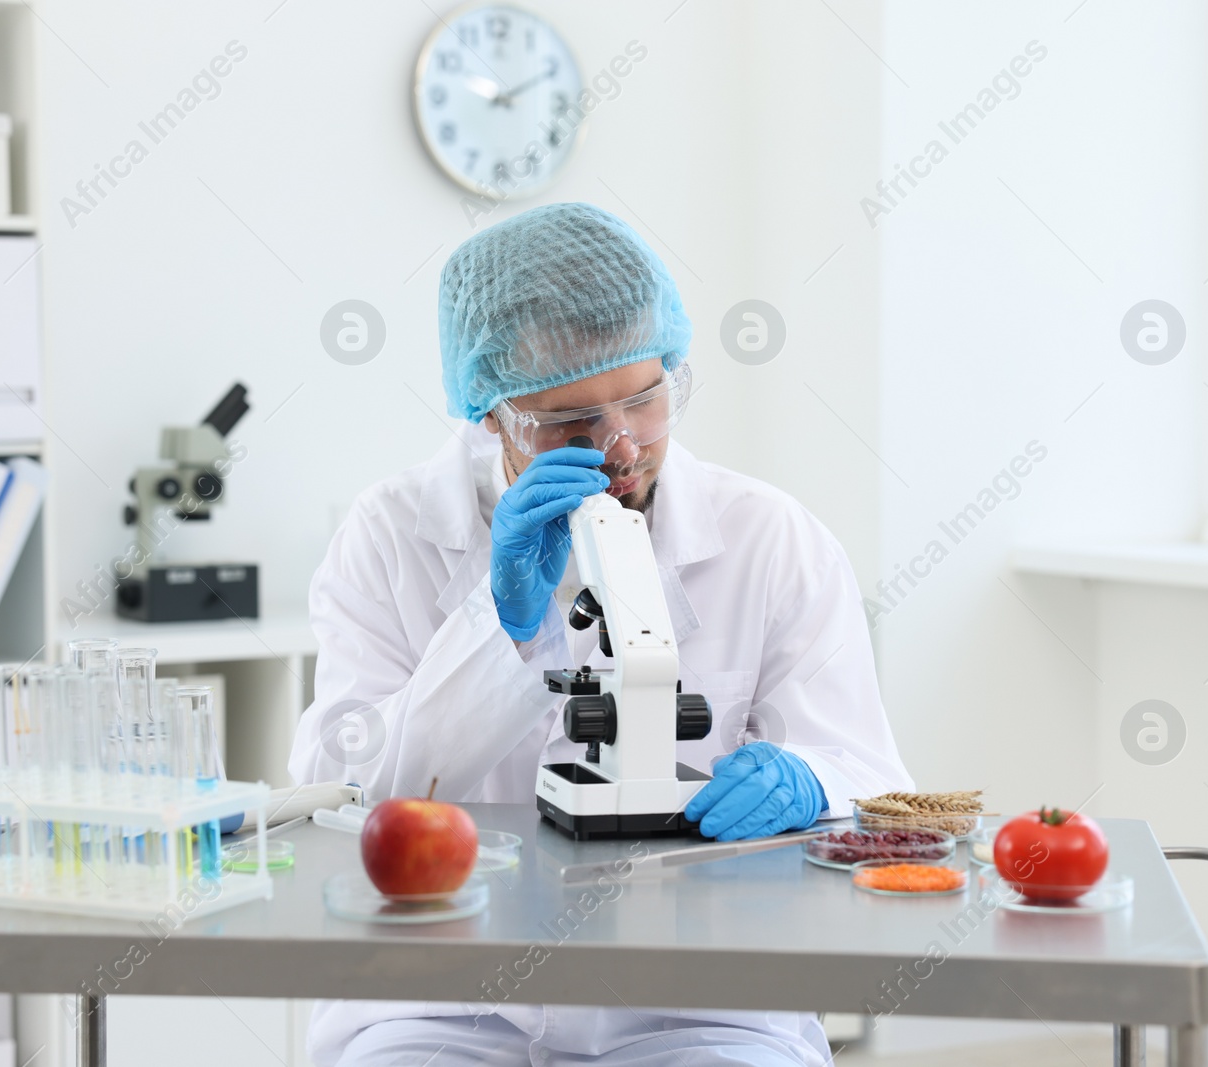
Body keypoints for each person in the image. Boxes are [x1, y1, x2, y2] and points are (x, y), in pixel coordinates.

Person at [289, 202, 912, 1065]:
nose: (620, 447)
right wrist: (497, 631)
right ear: (491, 414)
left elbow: (872, 777)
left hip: (700, 1000)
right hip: (441, 999)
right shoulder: (391, 533)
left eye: (645, 398)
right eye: (571, 421)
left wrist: (809, 777)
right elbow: (337, 792)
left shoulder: (771, 538)